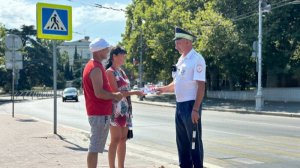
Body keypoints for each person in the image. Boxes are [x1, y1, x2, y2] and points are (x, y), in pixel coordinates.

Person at [156, 27, 206, 168]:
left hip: (191, 105)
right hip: (179, 105)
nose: (175, 45)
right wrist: (163, 89)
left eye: (177, 42)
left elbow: (201, 86)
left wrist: (196, 109)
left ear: (187, 42)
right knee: (182, 142)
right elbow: (177, 83)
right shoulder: (180, 60)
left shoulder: (197, 59)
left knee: (194, 143)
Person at [82, 38, 123, 168]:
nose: (108, 51)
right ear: (99, 51)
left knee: (95, 146)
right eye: (106, 49)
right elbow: (99, 93)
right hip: (99, 113)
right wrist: (114, 95)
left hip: (98, 112)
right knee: (94, 147)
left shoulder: (94, 66)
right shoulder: (96, 68)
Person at [105, 46, 145, 168]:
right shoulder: (109, 72)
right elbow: (116, 92)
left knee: (123, 139)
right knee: (115, 139)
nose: (124, 58)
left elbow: (125, 89)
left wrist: (138, 91)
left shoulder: (121, 71)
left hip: (125, 108)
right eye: (122, 55)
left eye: (124, 55)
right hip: (115, 109)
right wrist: (135, 93)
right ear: (114, 56)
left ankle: (121, 166)